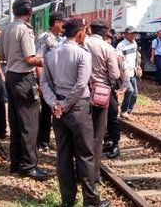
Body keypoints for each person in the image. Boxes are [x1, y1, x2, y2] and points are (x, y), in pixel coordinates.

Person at [40, 18, 111, 207]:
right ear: (80, 33)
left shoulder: (51, 54)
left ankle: (67, 200)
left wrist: (55, 103)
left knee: (63, 155)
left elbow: (44, 83)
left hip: (58, 111)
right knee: (86, 155)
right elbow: (81, 85)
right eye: (85, 32)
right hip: (77, 107)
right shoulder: (82, 54)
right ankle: (91, 201)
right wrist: (65, 104)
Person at [0, 0, 47, 181]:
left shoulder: (7, 29)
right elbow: (30, 59)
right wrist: (47, 60)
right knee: (29, 122)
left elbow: (2, 55)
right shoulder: (24, 30)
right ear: (29, 12)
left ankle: (16, 162)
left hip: (11, 76)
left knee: (16, 120)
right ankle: (29, 166)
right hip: (24, 78)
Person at [84, 19, 121, 181]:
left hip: (83, 89)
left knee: (86, 125)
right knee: (109, 119)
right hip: (102, 91)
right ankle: (111, 145)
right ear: (106, 31)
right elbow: (114, 75)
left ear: (91, 29)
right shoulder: (108, 48)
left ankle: (84, 156)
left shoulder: (81, 43)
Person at [35, 11, 65, 152]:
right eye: (62, 23)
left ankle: (56, 139)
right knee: (46, 111)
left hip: (59, 80)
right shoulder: (44, 38)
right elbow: (38, 60)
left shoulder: (60, 39)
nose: (63, 25)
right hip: (48, 79)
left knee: (58, 110)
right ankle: (43, 141)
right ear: (56, 23)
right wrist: (41, 83)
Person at [117, 27, 139, 119]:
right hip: (124, 73)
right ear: (125, 34)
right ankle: (123, 111)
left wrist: (138, 66)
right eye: (131, 33)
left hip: (132, 72)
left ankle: (128, 111)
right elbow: (118, 60)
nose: (133, 35)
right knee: (129, 90)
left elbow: (136, 55)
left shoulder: (134, 43)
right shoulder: (121, 46)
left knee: (135, 95)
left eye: (134, 33)